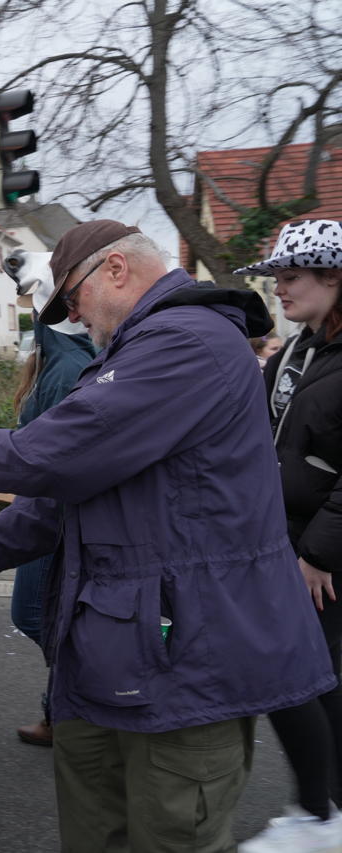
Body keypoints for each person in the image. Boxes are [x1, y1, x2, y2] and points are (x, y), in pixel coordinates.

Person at [0, 220, 336, 852]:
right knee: (96, 832)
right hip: (115, 649)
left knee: (172, 835)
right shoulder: (138, 347)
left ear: (115, 269)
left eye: (74, 299)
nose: (73, 319)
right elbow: (81, 489)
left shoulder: (190, 342)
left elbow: (75, 444)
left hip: (188, 659)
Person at [234, 219, 342, 852]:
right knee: (310, 677)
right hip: (290, 542)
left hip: (319, 554)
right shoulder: (302, 348)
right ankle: (321, 810)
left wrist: (318, 554)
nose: (280, 291)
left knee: (305, 677)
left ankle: (321, 814)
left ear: (334, 276)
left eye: (291, 277)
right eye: (276, 279)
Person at [7, 252, 97, 748]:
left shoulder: (66, 368)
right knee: (46, 616)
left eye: (26, 298)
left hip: (51, 515)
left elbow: (53, 456)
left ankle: (79, 707)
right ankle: (63, 713)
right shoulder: (55, 359)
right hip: (44, 509)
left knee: (37, 615)